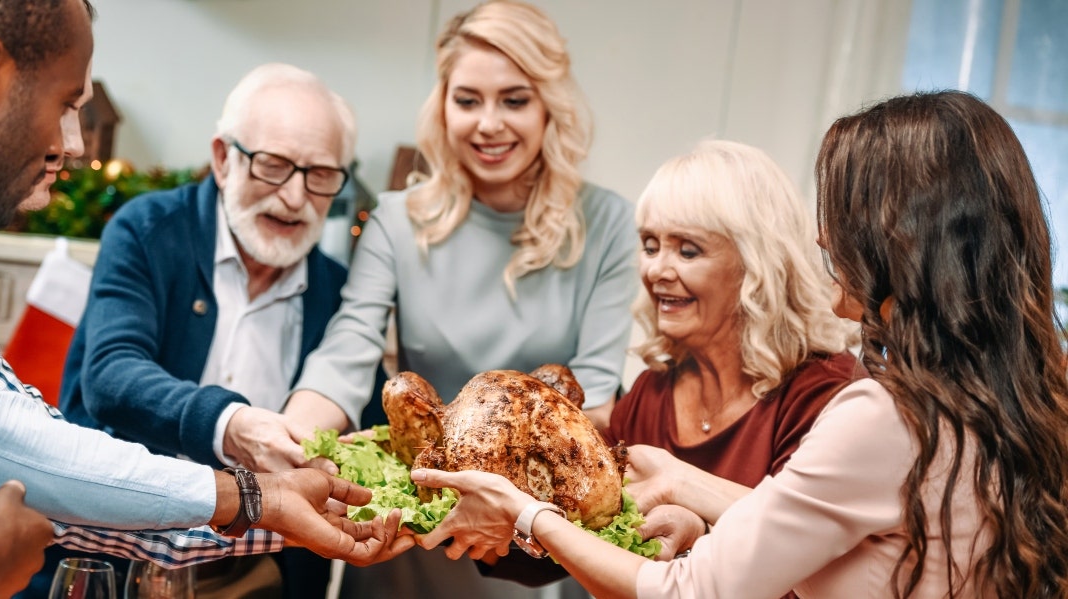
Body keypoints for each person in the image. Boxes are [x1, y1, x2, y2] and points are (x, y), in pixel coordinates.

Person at [410, 90, 1068, 598]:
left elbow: (698, 587)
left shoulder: (880, 413)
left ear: (894, 241)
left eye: (838, 213)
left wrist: (526, 514)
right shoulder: (1004, 399)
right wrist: (690, 491)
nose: (821, 237)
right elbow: (847, 526)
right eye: (651, 244)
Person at [0, 1, 405, 596]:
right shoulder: (150, 229)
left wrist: (261, 500)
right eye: (66, 104)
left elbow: (5, 438)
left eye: (321, 175)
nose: (73, 145)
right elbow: (91, 390)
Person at [285, 1, 637, 596]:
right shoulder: (397, 219)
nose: (489, 124)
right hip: (415, 540)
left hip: (535, 545)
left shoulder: (605, 223)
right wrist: (291, 447)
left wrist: (512, 507)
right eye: (468, 99)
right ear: (442, 105)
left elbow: (595, 398)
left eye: (515, 100)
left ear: (551, 104)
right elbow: (347, 349)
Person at [59, 63, 385, 598]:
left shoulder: (338, 291)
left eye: (321, 174)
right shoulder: (148, 230)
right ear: (222, 158)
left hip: (263, 574)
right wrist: (229, 424)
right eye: (273, 165)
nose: (295, 197)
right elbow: (110, 376)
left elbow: (370, 429)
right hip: (121, 557)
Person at [480, 140, 860, 590]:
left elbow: (807, 566)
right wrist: (473, 521)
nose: (657, 270)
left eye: (688, 251)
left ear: (756, 265)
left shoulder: (824, 395)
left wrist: (695, 535)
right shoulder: (651, 391)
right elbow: (577, 540)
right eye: (650, 245)